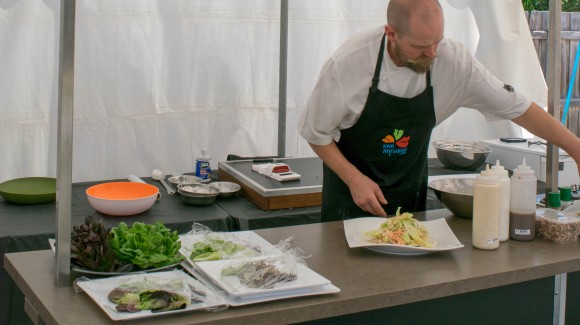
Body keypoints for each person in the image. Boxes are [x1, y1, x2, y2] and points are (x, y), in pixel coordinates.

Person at [298, 0, 580, 222]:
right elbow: (316, 132)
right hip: (348, 203)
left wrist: (575, 147)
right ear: (391, 34)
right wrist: (353, 178)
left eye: (438, 41)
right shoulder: (348, 65)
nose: (433, 53)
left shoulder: (454, 64)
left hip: (411, 203)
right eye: (421, 46)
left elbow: (520, 109)